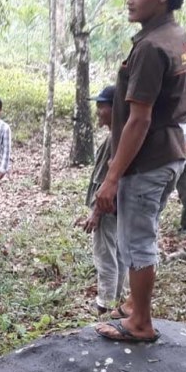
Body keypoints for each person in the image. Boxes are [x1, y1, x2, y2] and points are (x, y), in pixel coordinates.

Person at [94, 0, 186, 343]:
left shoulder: (153, 48)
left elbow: (139, 118)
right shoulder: (177, 37)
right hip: (169, 152)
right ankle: (136, 307)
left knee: (137, 239)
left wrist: (112, 175)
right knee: (141, 231)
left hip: (147, 158)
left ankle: (141, 323)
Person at [78, 86, 127, 315]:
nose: (98, 111)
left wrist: (96, 213)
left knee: (106, 254)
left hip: (109, 208)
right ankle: (116, 298)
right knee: (117, 252)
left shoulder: (116, 139)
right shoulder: (122, 136)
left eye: (102, 106)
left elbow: (107, 181)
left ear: (114, 109)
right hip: (119, 208)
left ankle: (106, 303)